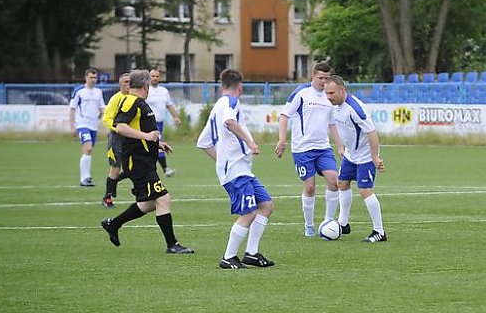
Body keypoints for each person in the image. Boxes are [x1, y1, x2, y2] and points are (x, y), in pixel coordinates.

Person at [100, 69, 193, 254]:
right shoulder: (131, 102)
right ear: (145, 85)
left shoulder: (138, 102)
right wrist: (147, 136)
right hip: (138, 162)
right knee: (164, 198)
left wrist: (157, 144)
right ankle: (172, 244)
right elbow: (120, 126)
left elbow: (138, 131)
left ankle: (113, 223)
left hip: (144, 159)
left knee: (150, 203)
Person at [197, 69, 275, 269]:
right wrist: (250, 143)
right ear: (240, 87)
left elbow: (203, 142)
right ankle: (228, 257)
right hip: (236, 171)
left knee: (266, 205)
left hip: (241, 170)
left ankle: (252, 253)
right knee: (248, 213)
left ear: (222, 85)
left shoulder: (217, 107)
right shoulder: (230, 103)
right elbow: (230, 122)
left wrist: (221, 160)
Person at [274, 62, 343, 237]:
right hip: (302, 149)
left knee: (335, 182)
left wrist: (340, 146)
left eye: (327, 79)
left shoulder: (329, 97)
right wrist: (282, 140)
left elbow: (332, 125)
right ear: (313, 76)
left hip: (323, 148)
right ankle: (309, 225)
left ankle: (328, 222)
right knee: (310, 187)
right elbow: (284, 116)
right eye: (321, 78)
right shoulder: (301, 93)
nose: (324, 82)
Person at [324, 75, 387, 243]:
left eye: (331, 93)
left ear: (342, 90)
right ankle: (343, 224)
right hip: (351, 154)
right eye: (326, 93)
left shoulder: (356, 109)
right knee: (342, 183)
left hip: (365, 155)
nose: (329, 97)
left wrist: (375, 156)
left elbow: (372, 132)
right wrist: (341, 146)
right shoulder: (336, 106)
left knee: (365, 190)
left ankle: (379, 231)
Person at [69, 68, 106, 187]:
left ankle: (87, 178)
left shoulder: (98, 92)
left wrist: (105, 120)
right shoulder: (79, 91)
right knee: (88, 148)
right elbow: (72, 109)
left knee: (88, 151)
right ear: (86, 78)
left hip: (93, 125)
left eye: (95, 78)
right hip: (82, 124)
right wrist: (72, 126)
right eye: (91, 77)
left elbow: (102, 108)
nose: (93, 80)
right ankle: (84, 178)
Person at [100, 73, 130, 208]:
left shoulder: (134, 99)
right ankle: (107, 197)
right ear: (120, 84)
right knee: (116, 167)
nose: (128, 84)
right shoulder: (116, 99)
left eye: (130, 81)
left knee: (133, 167)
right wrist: (118, 128)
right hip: (116, 138)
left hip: (131, 137)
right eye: (125, 82)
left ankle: (114, 183)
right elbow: (106, 119)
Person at [146, 68, 182, 177]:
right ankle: (165, 169)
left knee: (153, 147)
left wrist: (176, 117)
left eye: (157, 76)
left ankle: (151, 169)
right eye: (153, 76)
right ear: (149, 77)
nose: (155, 78)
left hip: (160, 123)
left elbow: (169, 105)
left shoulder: (164, 91)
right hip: (150, 123)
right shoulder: (146, 90)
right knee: (157, 145)